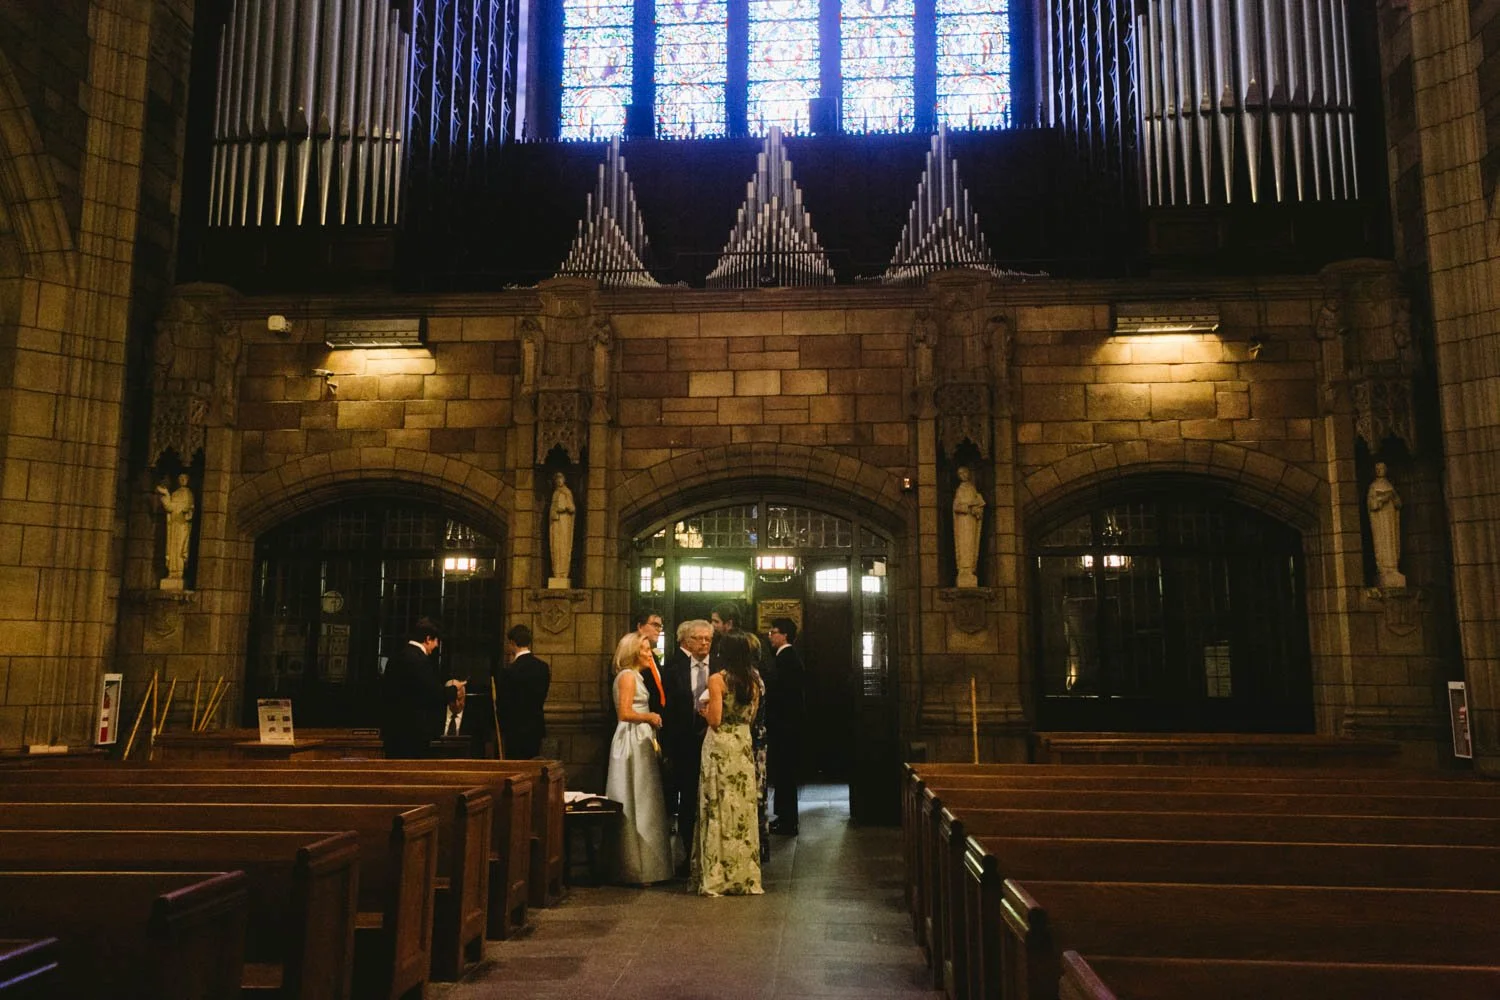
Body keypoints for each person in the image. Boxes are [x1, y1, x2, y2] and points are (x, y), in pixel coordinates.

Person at [693, 630, 764, 896]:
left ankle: (717, 874)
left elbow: (715, 720)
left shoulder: (717, 680)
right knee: (742, 807)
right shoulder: (754, 682)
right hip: (742, 746)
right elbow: (751, 718)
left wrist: (703, 711)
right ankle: (743, 875)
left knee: (717, 805)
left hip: (720, 746)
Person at [605, 631, 673, 885]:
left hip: (641, 736)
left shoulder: (636, 676)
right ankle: (634, 865)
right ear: (633, 652)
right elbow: (624, 712)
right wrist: (649, 716)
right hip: (631, 738)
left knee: (646, 796)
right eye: (645, 649)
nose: (650, 654)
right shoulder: (627, 676)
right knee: (636, 793)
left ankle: (649, 865)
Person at [662, 618, 713, 875]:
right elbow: (668, 709)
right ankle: (688, 854)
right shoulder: (675, 670)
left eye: (708, 639)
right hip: (685, 742)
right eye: (698, 639)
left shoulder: (719, 668)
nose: (704, 643)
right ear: (687, 642)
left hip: (712, 739)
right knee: (688, 800)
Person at [381, 616, 462, 759]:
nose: (436, 645)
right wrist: (454, 689)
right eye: (436, 641)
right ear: (428, 639)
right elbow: (432, 694)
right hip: (413, 734)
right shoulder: (419, 660)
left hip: (393, 731)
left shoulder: (395, 658)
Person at [766, 617, 805, 835]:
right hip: (786, 725)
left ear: (785, 635)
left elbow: (782, 695)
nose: (770, 636)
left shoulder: (786, 659)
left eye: (774, 632)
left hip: (784, 726)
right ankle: (783, 817)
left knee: (785, 774)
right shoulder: (785, 657)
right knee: (783, 774)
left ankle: (788, 821)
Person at [494, 624, 551, 759]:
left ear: (512, 643)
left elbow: (503, 704)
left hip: (514, 730)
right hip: (535, 727)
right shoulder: (543, 667)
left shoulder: (509, 671)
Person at [1367, 461, 1406, 589]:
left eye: (1382, 468)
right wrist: (1383, 498)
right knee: (1382, 542)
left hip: (1390, 519)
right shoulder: (1374, 486)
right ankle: (1383, 568)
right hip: (1380, 521)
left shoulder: (1390, 485)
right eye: (1377, 468)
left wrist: (1392, 497)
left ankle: (1393, 567)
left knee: (1392, 542)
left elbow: (1399, 503)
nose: (1380, 470)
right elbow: (1372, 505)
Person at [157, 473, 195, 585]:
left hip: (182, 524)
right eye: (180, 478)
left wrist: (187, 510)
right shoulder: (175, 494)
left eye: (184, 478)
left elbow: (190, 509)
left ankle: (179, 572)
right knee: (172, 547)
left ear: (188, 480)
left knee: (180, 547)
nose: (182, 480)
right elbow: (169, 507)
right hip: (174, 524)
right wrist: (166, 494)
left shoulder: (189, 494)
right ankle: (171, 572)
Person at [952, 465, 986, 588]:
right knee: (963, 545)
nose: (963, 475)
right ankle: (963, 569)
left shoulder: (972, 488)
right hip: (962, 523)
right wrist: (967, 507)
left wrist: (977, 511)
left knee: (971, 545)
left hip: (971, 522)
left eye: (964, 473)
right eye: (960, 474)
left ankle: (971, 569)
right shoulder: (960, 489)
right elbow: (956, 507)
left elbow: (979, 506)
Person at [548, 472, 576, 585]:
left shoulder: (567, 492)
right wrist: (555, 511)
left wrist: (564, 508)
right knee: (556, 546)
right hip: (556, 524)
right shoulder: (555, 493)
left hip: (565, 522)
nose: (559, 481)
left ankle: (564, 572)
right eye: (557, 479)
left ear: (564, 480)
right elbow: (552, 510)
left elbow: (572, 508)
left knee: (564, 546)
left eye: (561, 478)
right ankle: (556, 573)